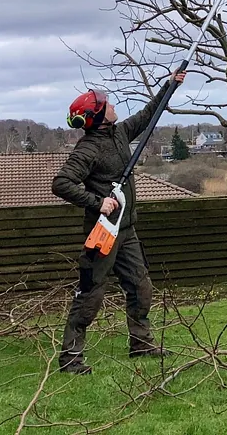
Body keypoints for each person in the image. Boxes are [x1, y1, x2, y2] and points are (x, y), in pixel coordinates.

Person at [52, 70, 186, 374]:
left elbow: (149, 113)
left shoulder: (121, 132)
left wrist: (170, 85)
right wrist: (97, 202)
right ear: (99, 116)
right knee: (91, 293)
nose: (113, 105)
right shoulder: (88, 149)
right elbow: (61, 183)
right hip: (103, 233)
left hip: (126, 230)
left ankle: (141, 343)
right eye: (108, 104)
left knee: (141, 287)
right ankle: (71, 359)